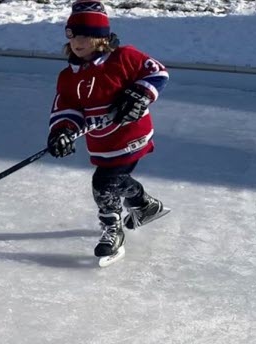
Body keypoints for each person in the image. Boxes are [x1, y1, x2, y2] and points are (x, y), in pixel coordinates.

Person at [46, 0, 170, 258]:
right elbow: (67, 107)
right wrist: (63, 131)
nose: (77, 42)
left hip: (131, 135)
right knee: (117, 180)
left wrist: (139, 94)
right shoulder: (69, 76)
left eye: (85, 35)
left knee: (103, 183)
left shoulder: (124, 57)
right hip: (101, 143)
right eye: (71, 35)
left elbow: (158, 73)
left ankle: (113, 229)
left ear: (101, 38)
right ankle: (143, 205)